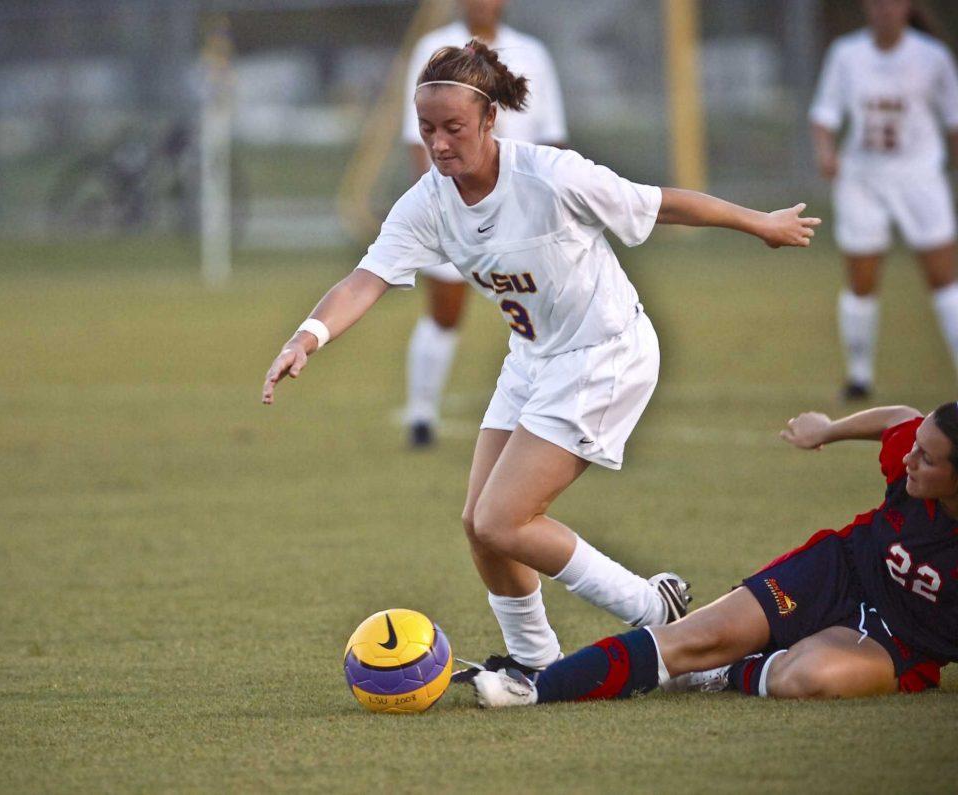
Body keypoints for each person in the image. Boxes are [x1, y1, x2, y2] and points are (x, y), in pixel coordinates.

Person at [263, 42, 819, 680]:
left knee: (505, 518)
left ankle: (655, 610)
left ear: (490, 120)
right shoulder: (429, 201)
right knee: (480, 523)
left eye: (454, 128)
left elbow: (660, 202)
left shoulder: (553, 177)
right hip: (533, 359)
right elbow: (366, 277)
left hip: (605, 353)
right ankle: (536, 659)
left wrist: (761, 223)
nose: (439, 144)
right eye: (426, 129)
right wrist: (307, 336)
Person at [471, 402, 956, 707]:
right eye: (915, 448)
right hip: (837, 570)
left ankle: (725, 670)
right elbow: (899, 417)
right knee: (690, 639)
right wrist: (827, 430)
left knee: (807, 677)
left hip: (901, 643)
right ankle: (534, 690)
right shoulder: (909, 468)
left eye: (927, 459)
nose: (909, 459)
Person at [399, 0, 567, 448]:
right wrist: (435, 202)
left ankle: (550, 410)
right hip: (459, 205)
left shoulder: (531, 52)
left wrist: (553, 206)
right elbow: (417, 134)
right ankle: (420, 413)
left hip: (523, 211)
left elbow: (552, 135)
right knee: (446, 310)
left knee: (541, 313)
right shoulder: (434, 49)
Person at [810, 0, 958, 400]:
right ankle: (859, 377)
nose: (883, 9)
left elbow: (953, 121)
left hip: (919, 177)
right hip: (863, 179)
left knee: (944, 280)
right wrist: (826, 151)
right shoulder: (846, 54)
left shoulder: (933, 58)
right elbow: (823, 114)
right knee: (861, 279)